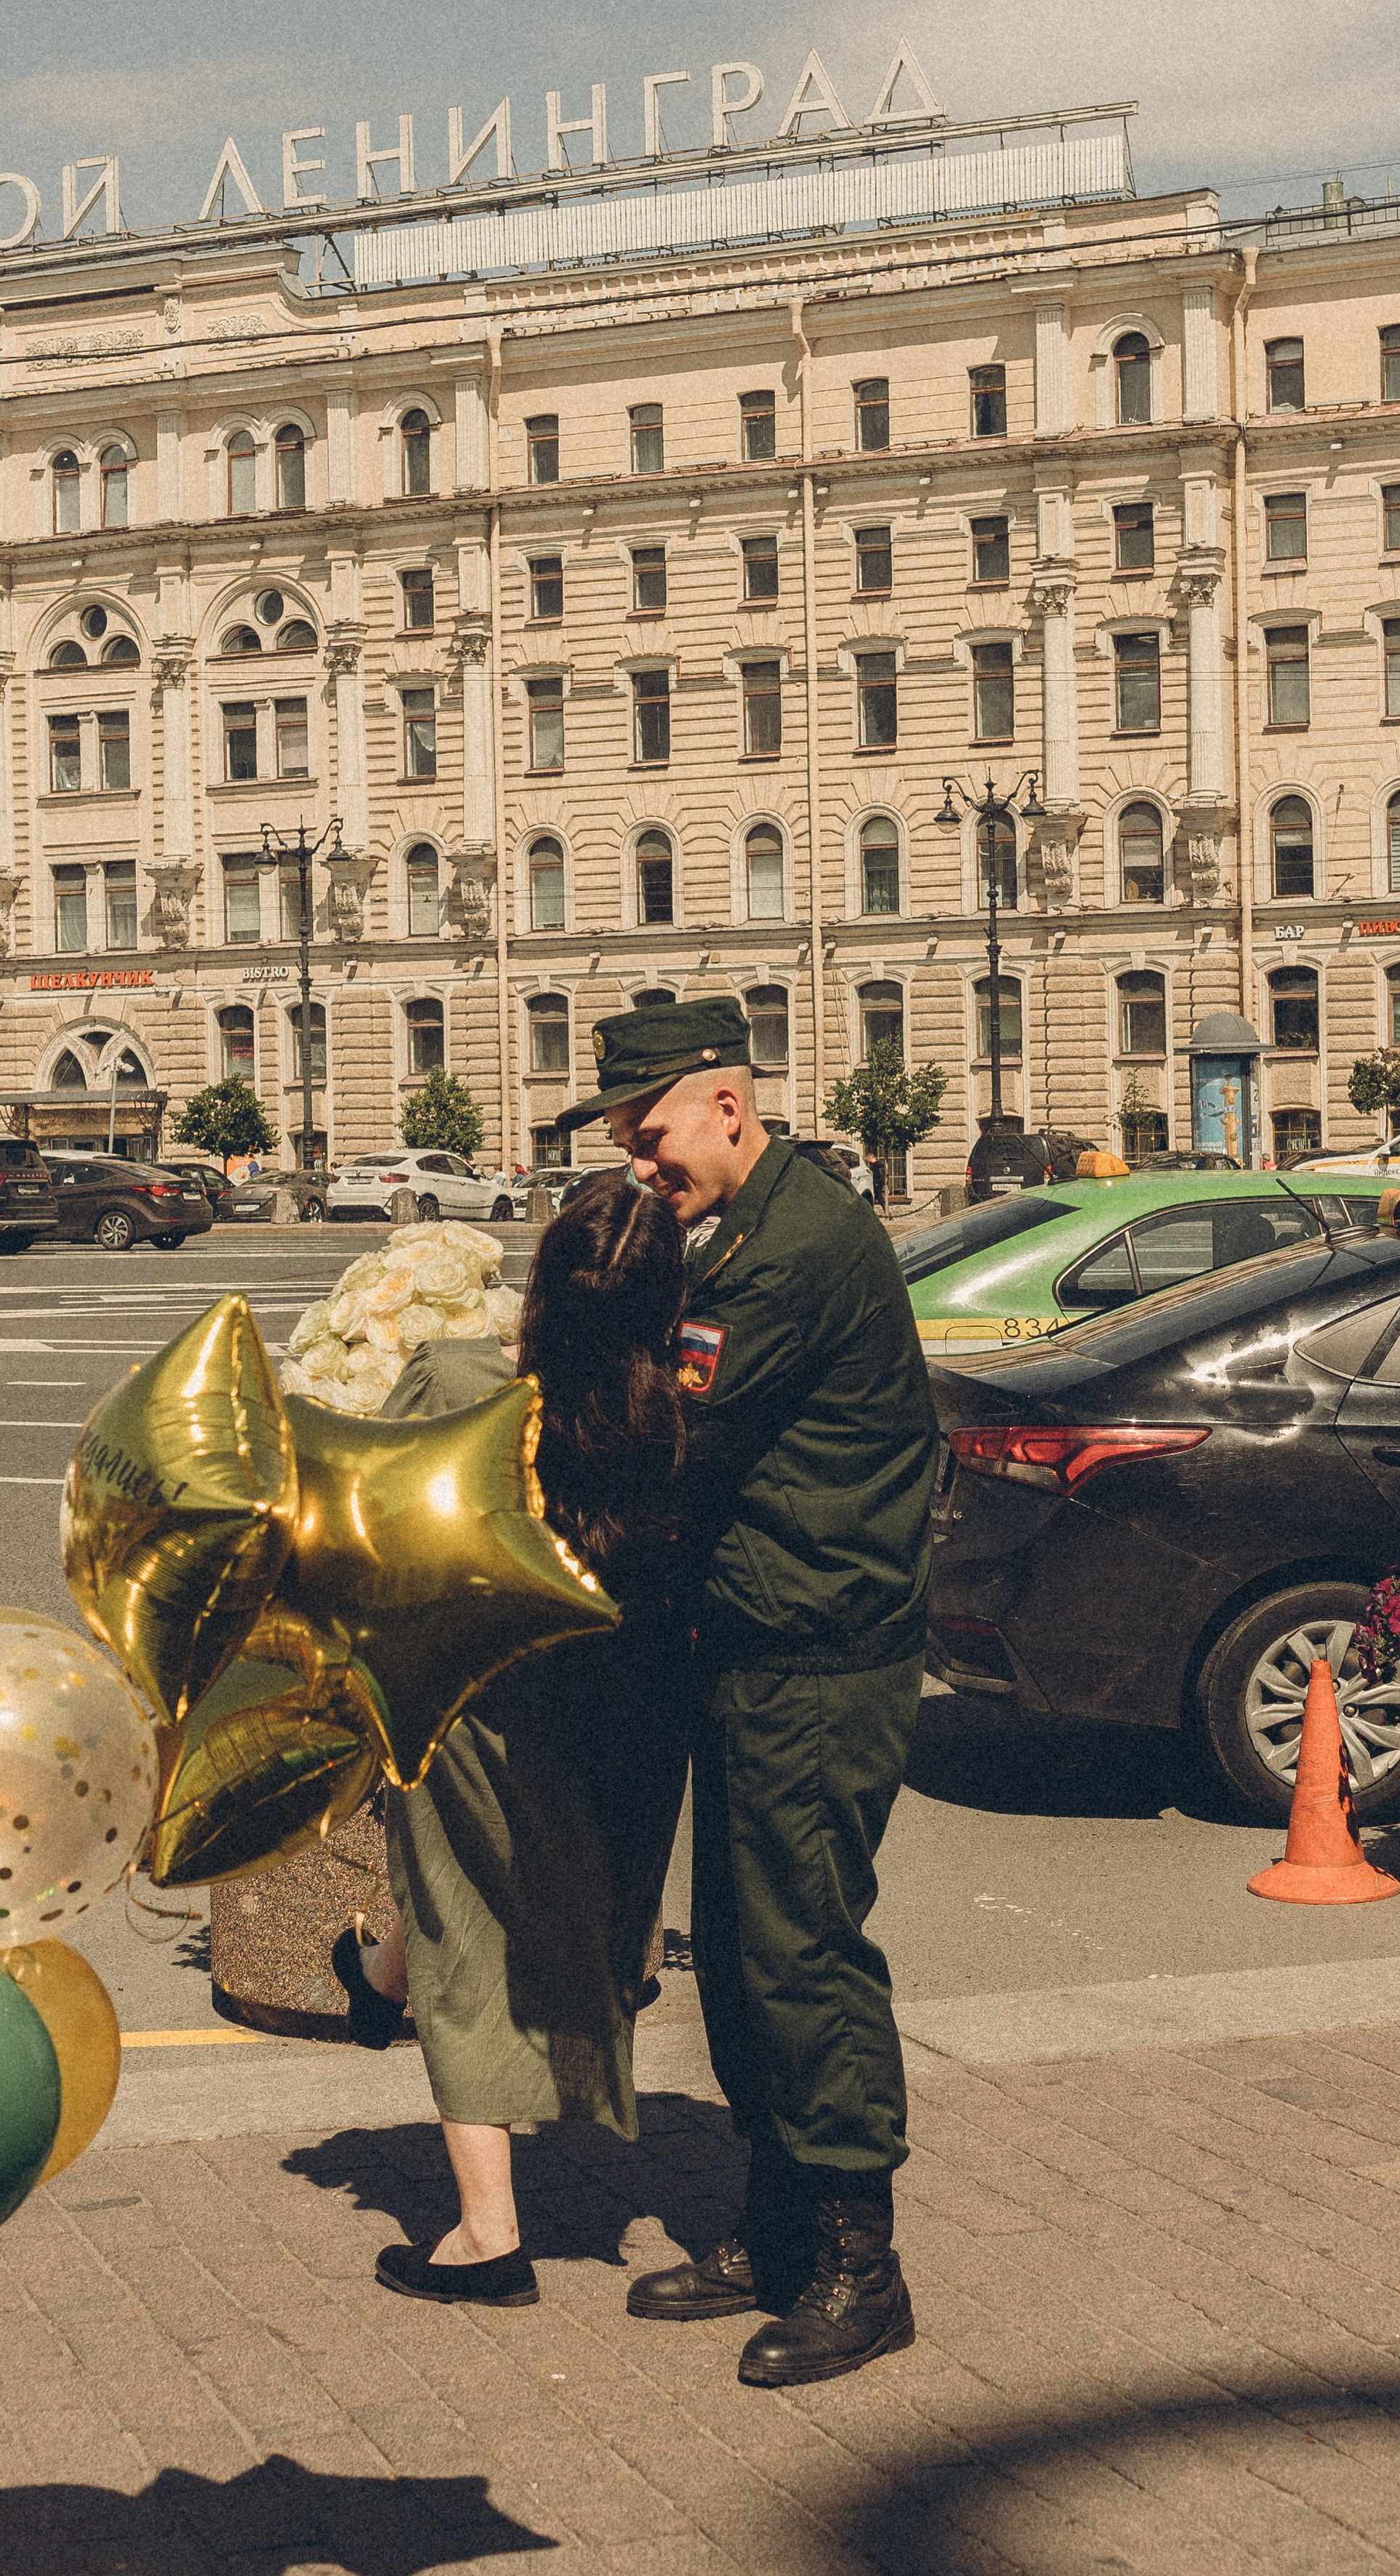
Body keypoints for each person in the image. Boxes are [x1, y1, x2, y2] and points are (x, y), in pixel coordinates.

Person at [556, 996, 939, 2390]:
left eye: (649, 1132)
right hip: (752, 1637)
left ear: (728, 1102)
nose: (636, 1161)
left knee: (802, 1953)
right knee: (737, 1943)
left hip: (819, 1649)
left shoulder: (793, 1249)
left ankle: (859, 2264)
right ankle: (777, 2228)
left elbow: (673, 1442)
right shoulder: (733, 1231)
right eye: (621, 1138)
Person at [336, 1174, 691, 2307]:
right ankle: (372, 1976)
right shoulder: (682, 1421)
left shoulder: (461, 1384)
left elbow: (366, 1510)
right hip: (627, 1712)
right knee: (570, 1908)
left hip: (484, 1706)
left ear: (541, 1291)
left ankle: (487, 2236)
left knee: (460, 1917)